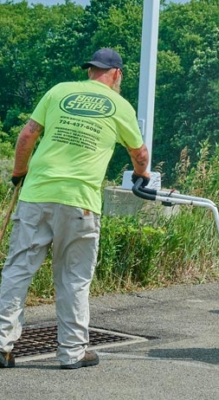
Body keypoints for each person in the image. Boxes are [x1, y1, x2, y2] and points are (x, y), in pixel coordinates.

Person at [0, 48, 150, 369]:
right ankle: (71, 353)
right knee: (74, 278)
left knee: (17, 269)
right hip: (79, 202)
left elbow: (27, 136)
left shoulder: (58, 91)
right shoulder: (120, 106)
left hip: (36, 194)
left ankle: (1, 345)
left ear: (90, 71)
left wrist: (18, 172)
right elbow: (139, 153)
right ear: (117, 74)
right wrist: (141, 176)